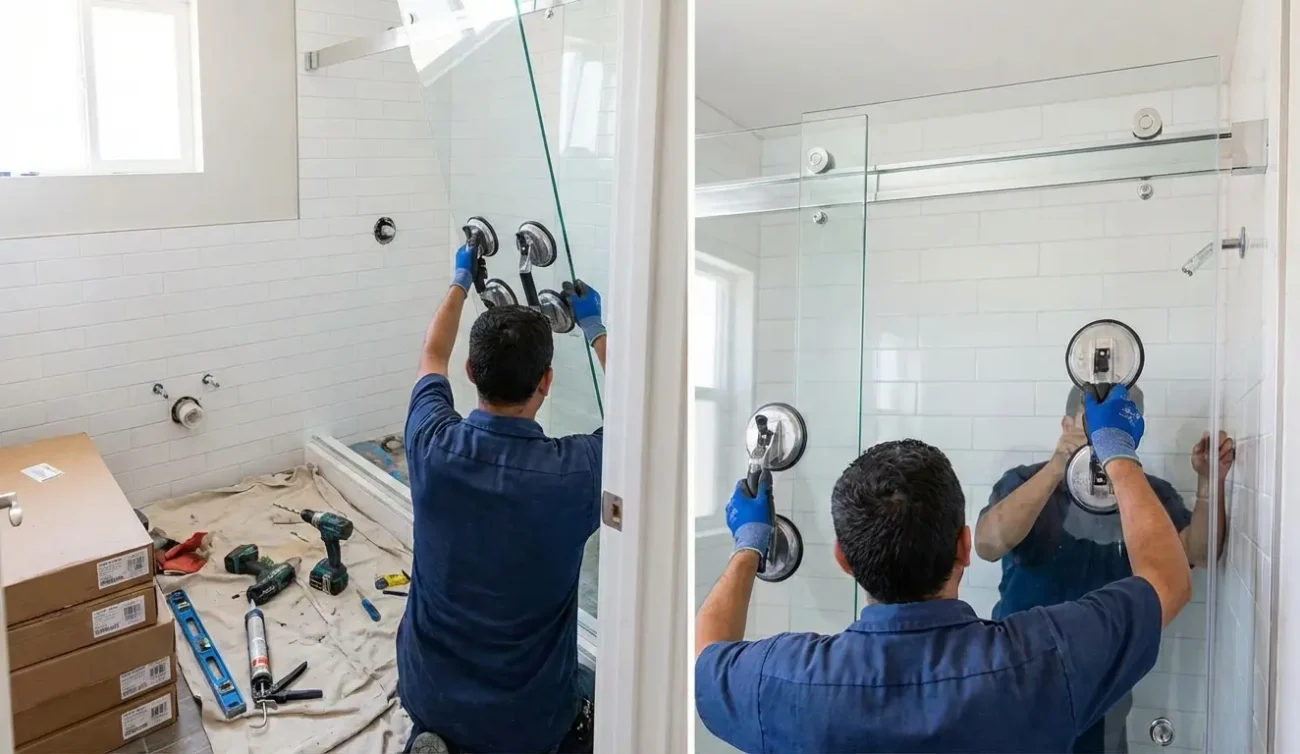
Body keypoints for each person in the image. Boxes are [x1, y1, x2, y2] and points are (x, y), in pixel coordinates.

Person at [696, 386, 1195, 753]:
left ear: (843, 561)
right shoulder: (1048, 661)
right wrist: (1117, 452)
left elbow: (708, 656)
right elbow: (1166, 578)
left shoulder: (787, 683)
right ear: (963, 546)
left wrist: (749, 546)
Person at [396, 244, 607, 754]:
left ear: (471, 372)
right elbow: (645, 416)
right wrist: (596, 329)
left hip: (426, 687)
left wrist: (460, 280)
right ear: (547, 383)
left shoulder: (431, 442)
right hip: (525, 715)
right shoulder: (575, 472)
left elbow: (432, 354)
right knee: (601, 688)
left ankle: (434, 739)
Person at [974, 386, 1233, 753]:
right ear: (1066, 424)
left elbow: (1199, 552)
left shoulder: (1148, 494)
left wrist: (1209, 485)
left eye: (1114, 425)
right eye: (1090, 425)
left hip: (1103, 684)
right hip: (1019, 674)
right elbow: (986, 544)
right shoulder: (1023, 481)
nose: (1099, 436)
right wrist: (1055, 469)